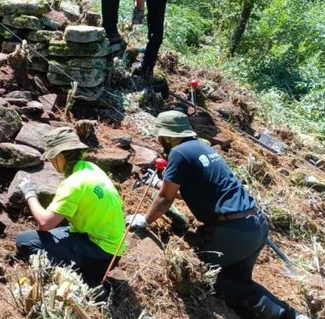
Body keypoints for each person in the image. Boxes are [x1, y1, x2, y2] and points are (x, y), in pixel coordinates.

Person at [126, 111, 309, 319]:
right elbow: (196, 191)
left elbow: (165, 199)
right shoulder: (203, 148)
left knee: (207, 277)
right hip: (254, 226)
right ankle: (294, 317)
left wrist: (145, 220)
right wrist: (159, 183)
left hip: (232, 231)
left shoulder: (179, 153)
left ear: (167, 136)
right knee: (236, 283)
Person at [14, 127, 126, 286]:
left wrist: (29, 193)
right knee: (48, 236)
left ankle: (83, 279)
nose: (52, 163)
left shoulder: (74, 184)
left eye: (52, 158)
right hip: (112, 248)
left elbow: (44, 223)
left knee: (24, 241)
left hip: (100, 255)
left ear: (60, 156)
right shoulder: (91, 168)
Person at [70, 0, 175, 77]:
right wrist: (139, 0)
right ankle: (147, 67)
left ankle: (110, 33)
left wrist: (139, 11)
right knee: (156, 22)